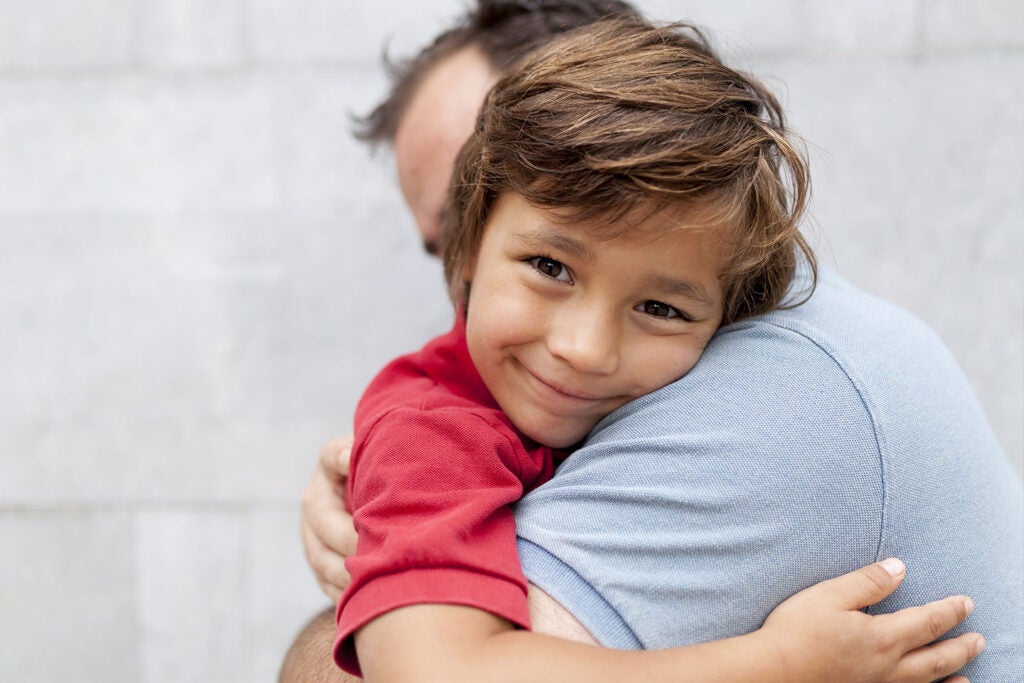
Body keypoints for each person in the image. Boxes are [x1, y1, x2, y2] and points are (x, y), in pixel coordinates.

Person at [283, 3, 1024, 682]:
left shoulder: (786, 381)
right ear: (472, 240)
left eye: (662, 307)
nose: (584, 347)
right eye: (549, 266)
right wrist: (776, 664)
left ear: (733, 304)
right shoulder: (435, 432)